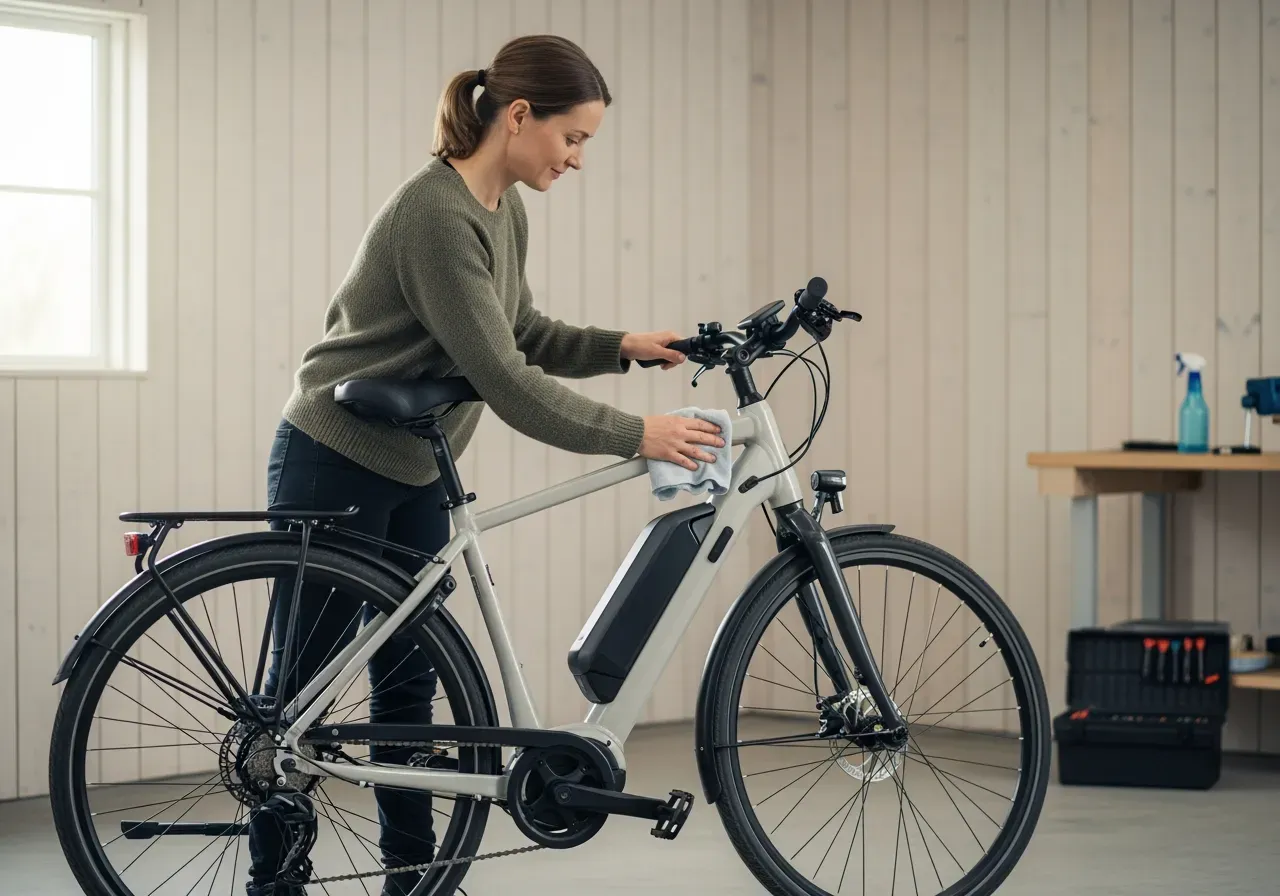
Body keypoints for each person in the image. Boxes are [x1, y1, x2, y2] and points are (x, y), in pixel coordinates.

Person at [247, 34, 726, 896]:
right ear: (517, 117)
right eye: (572, 137)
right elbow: (505, 380)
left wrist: (622, 346)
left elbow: (524, 334)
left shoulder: (505, 208)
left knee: (408, 685)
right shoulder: (434, 212)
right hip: (337, 455)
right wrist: (638, 435)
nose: (578, 158)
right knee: (296, 703)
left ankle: (417, 877)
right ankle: (273, 881)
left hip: (415, 466)